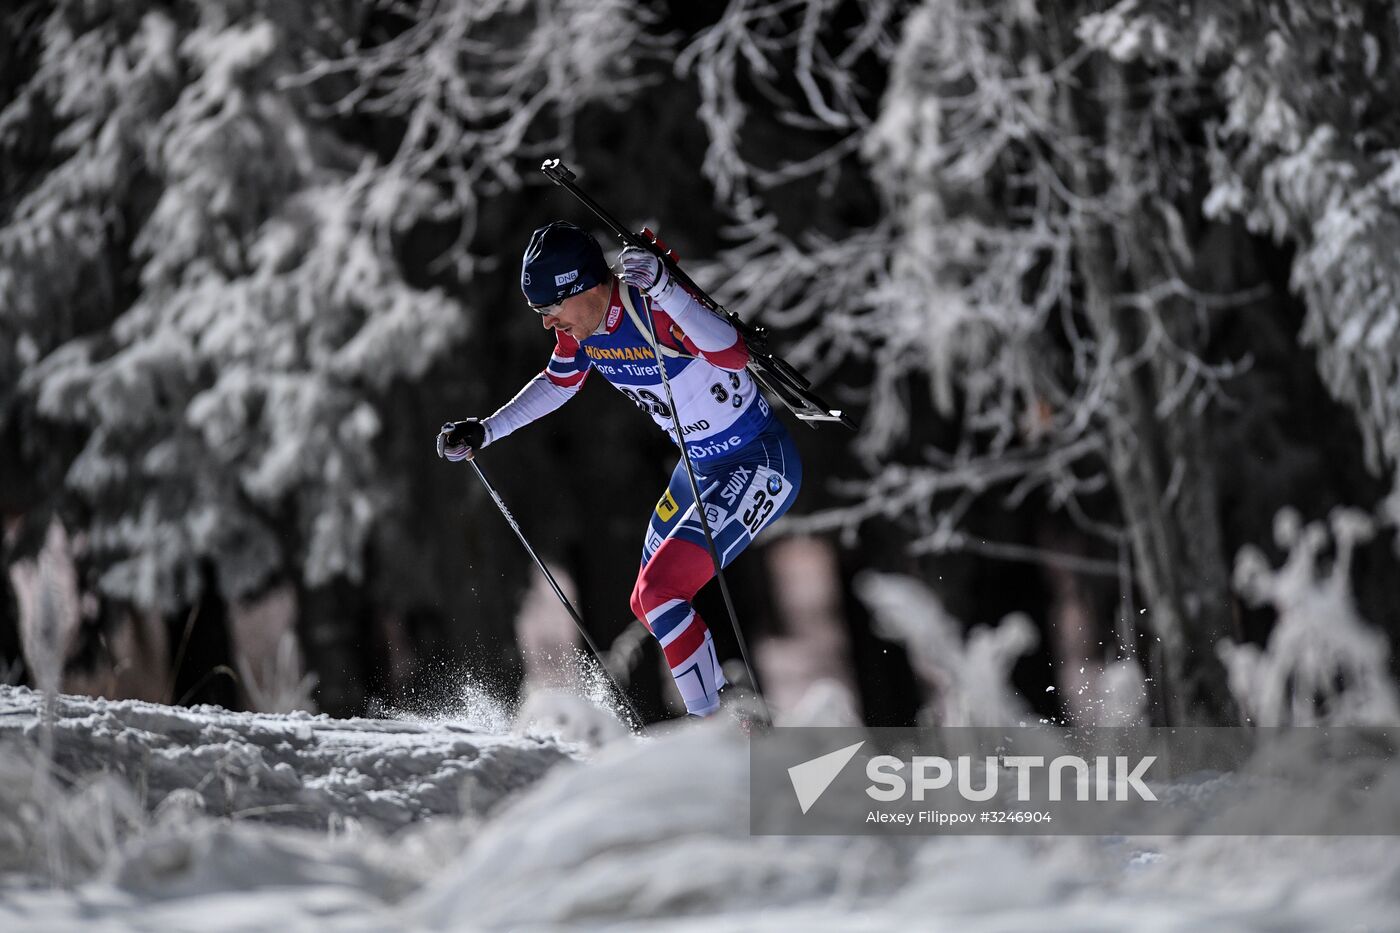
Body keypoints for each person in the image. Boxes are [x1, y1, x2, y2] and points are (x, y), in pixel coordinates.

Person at [436, 221, 802, 717]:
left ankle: (715, 732)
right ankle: (735, 719)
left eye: (550, 308)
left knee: (662, 593)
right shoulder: (585, 330)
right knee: (647, 603)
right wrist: (487, 430)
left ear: (582, 287)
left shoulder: (650, 304)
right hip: (698, 465)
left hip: (757, 459)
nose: (547, 323)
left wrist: (668, 289)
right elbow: (560, 381)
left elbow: (734, 354)